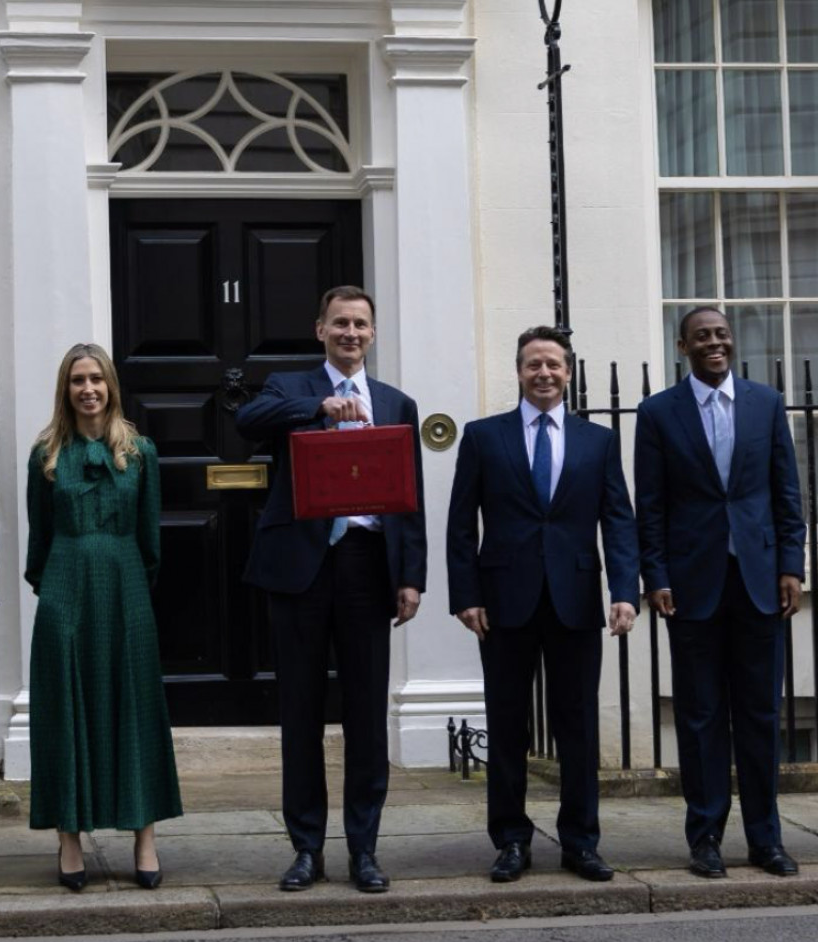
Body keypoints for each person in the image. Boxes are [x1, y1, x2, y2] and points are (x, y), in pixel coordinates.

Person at [235, 286, 427, 894]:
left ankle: (364, 850)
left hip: (369, 568)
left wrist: (411, 577)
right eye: (340, 323)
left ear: (373, 333)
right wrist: (320, 410)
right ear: (320, 329)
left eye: (361, 325)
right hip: (301, 569)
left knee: (367, 719)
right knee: (301, 716)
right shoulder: (289, 389)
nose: (351, 333)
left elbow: (411, 497)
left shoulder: (397, 402)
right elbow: (247, 423)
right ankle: (307, 848)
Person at [447, 326, 639, 883]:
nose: (544, 374)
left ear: (568, 372)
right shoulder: (483, 437)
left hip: (576, 599)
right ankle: (510, 839)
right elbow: (462, 524)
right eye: (533, 364)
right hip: (503, 601)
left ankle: (581, 841)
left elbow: (618, 520)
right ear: (519, 371)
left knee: (577, 725)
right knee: (507, 725)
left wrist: (623, 590)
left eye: (553, 364)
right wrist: (466, 596)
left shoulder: (596, 441)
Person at [634, 307, 805, 879]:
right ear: (682, 346)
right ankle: (705, 836)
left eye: (722, 335)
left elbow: (787, 493)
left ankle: (766, 839)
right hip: (690, 585)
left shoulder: (766, 403)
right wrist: (654, 576)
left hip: (759, 581)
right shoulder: (658, 413)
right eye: (702, 336)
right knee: (701, 715)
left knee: (760, 714)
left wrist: (792, 566)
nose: (715, 343)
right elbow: (650, 505)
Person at [26, 343, 182, 892]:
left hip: (126, 586)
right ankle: (69, 838)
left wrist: (129, 584)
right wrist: (57, 589)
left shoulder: (141, 452)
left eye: (96, 379)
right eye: (77, 381)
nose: (87, 389)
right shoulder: (46, 454)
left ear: (111, 385)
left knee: (133, 706)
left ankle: (144, 836)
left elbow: (150, 540)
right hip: (65, 585)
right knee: (67, 706)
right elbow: (38, 540)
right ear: (65, 390)